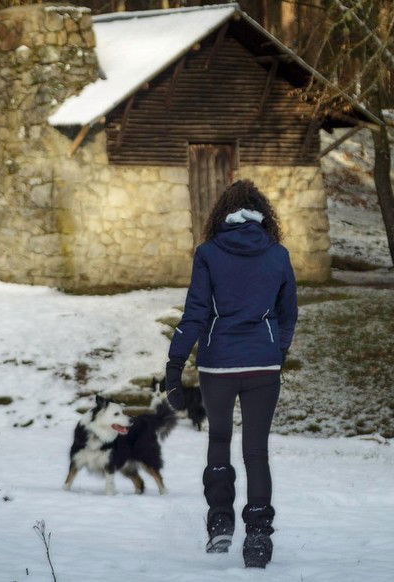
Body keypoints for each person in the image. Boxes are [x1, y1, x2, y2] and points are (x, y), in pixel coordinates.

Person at [162, 179, 298, 569]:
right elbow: (288, 312)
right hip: (263, 365)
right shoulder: (278, 254)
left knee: (219, 439)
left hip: (217, 364)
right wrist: (278, 348)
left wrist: (174, 366)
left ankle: (220, 520)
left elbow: (195, 314)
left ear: (222, 213)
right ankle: (257, 537)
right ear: (263, 216)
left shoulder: (208, 252)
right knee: (257, 451)